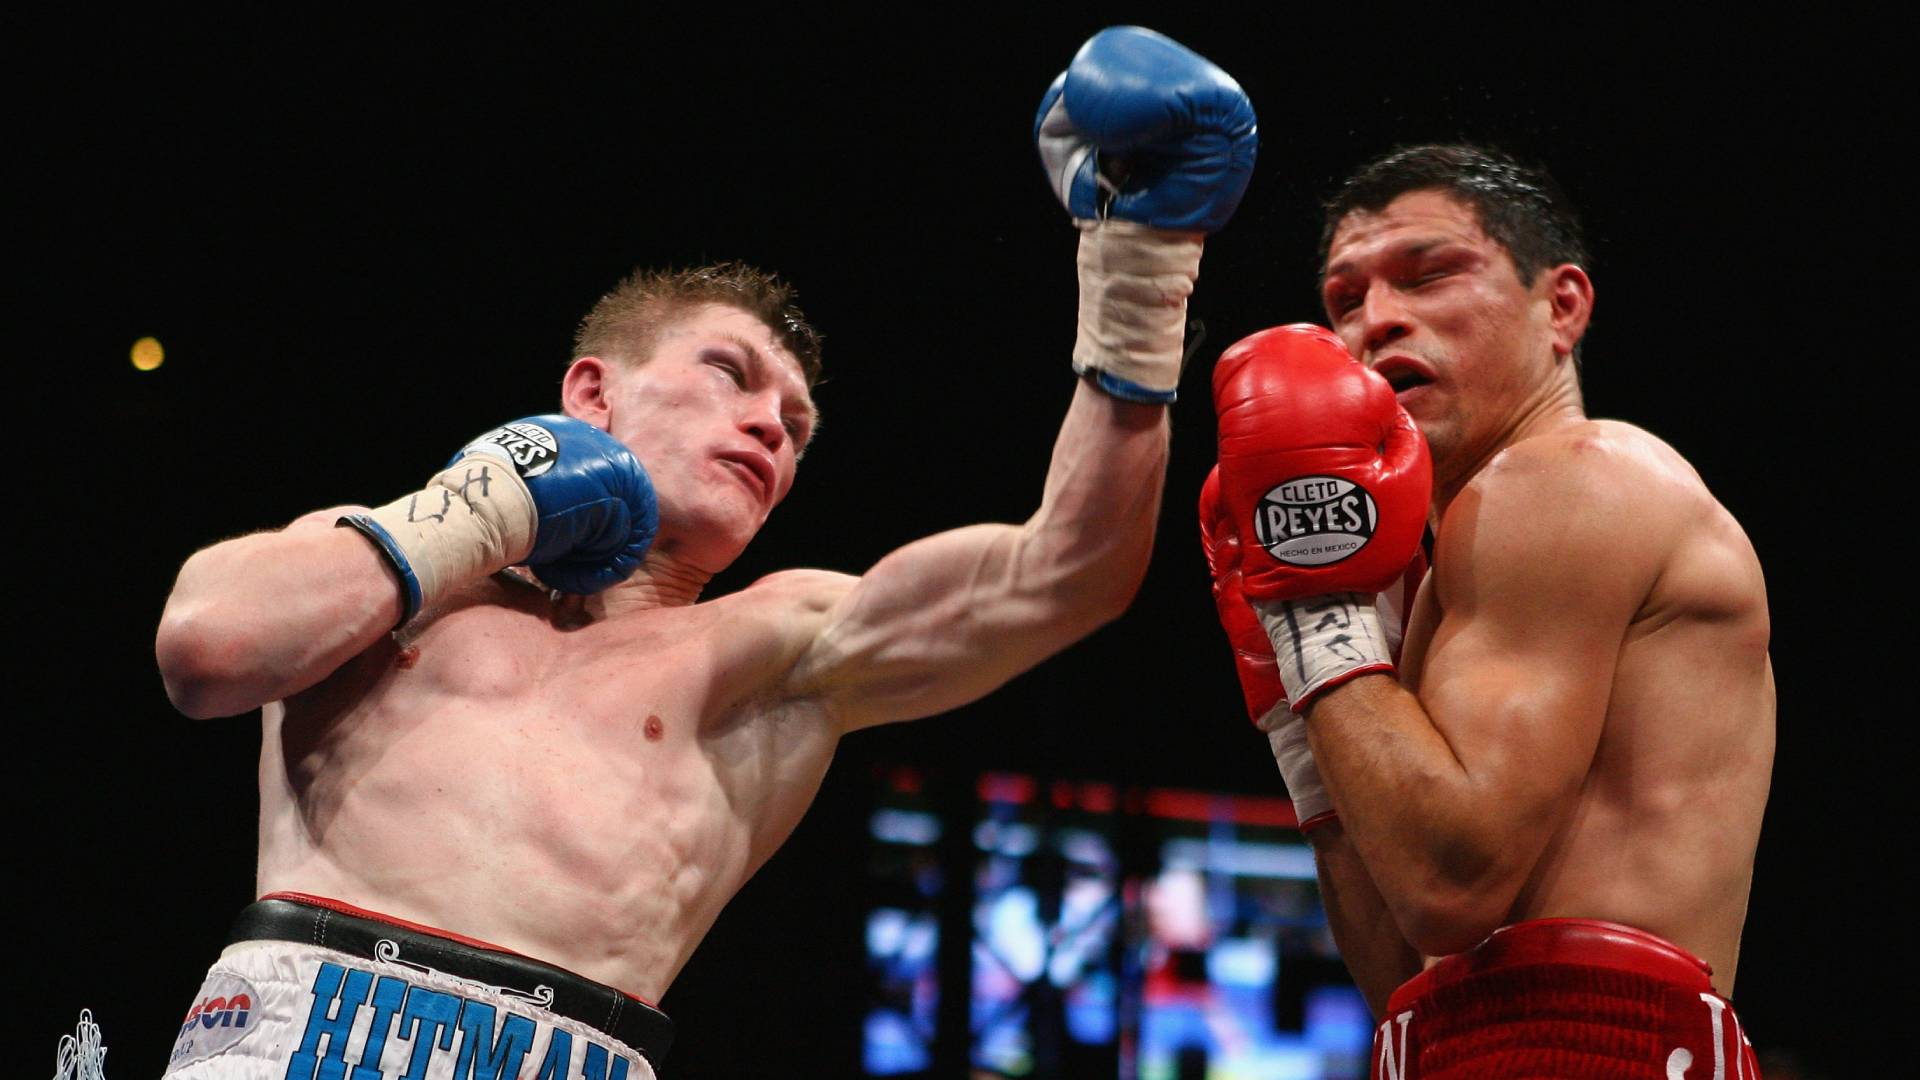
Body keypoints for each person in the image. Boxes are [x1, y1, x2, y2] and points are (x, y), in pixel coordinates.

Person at [152, 25, 1256, 1080]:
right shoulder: (387, 576)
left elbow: (1066, 574)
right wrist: (477, 511)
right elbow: (209, 650)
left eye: (798, 423)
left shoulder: (775, 647)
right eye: (732, 375)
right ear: (594, 392)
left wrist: (1140, 279)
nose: (774, 424)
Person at [1201, 144, 1773, 1078]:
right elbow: (1401, 969)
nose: (1378, 319)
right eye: (1344, 301)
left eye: (1428, 274)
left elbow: (1447, 881)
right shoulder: (1446, 574)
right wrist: (1303, 717)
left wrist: (1314, 607)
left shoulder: (1576, 478)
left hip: (1596, 1047)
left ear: (1563, 306)